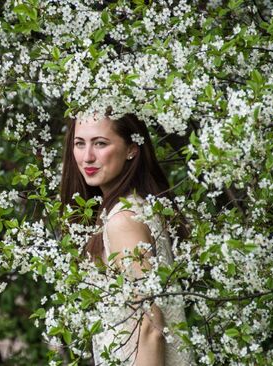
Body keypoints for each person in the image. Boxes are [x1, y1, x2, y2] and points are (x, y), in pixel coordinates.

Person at [60, 112, 192, 365]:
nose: (87, 156)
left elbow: (151, 328)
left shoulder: (123, 221)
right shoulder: (139, 207)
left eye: (100, 143)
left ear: (131, 149)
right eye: (80, 143)